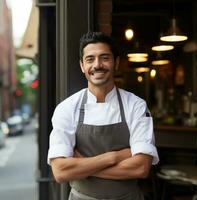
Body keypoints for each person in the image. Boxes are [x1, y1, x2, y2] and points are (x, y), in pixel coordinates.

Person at [47, 31, 159, 200]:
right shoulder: (67, 108)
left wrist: (82, 166)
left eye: (105, 57)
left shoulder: (136, 106)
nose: (97, 65)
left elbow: (141, 168)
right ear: (82, 66)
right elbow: (61, 171)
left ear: (116, 63)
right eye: (90, 59)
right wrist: (113, 157)